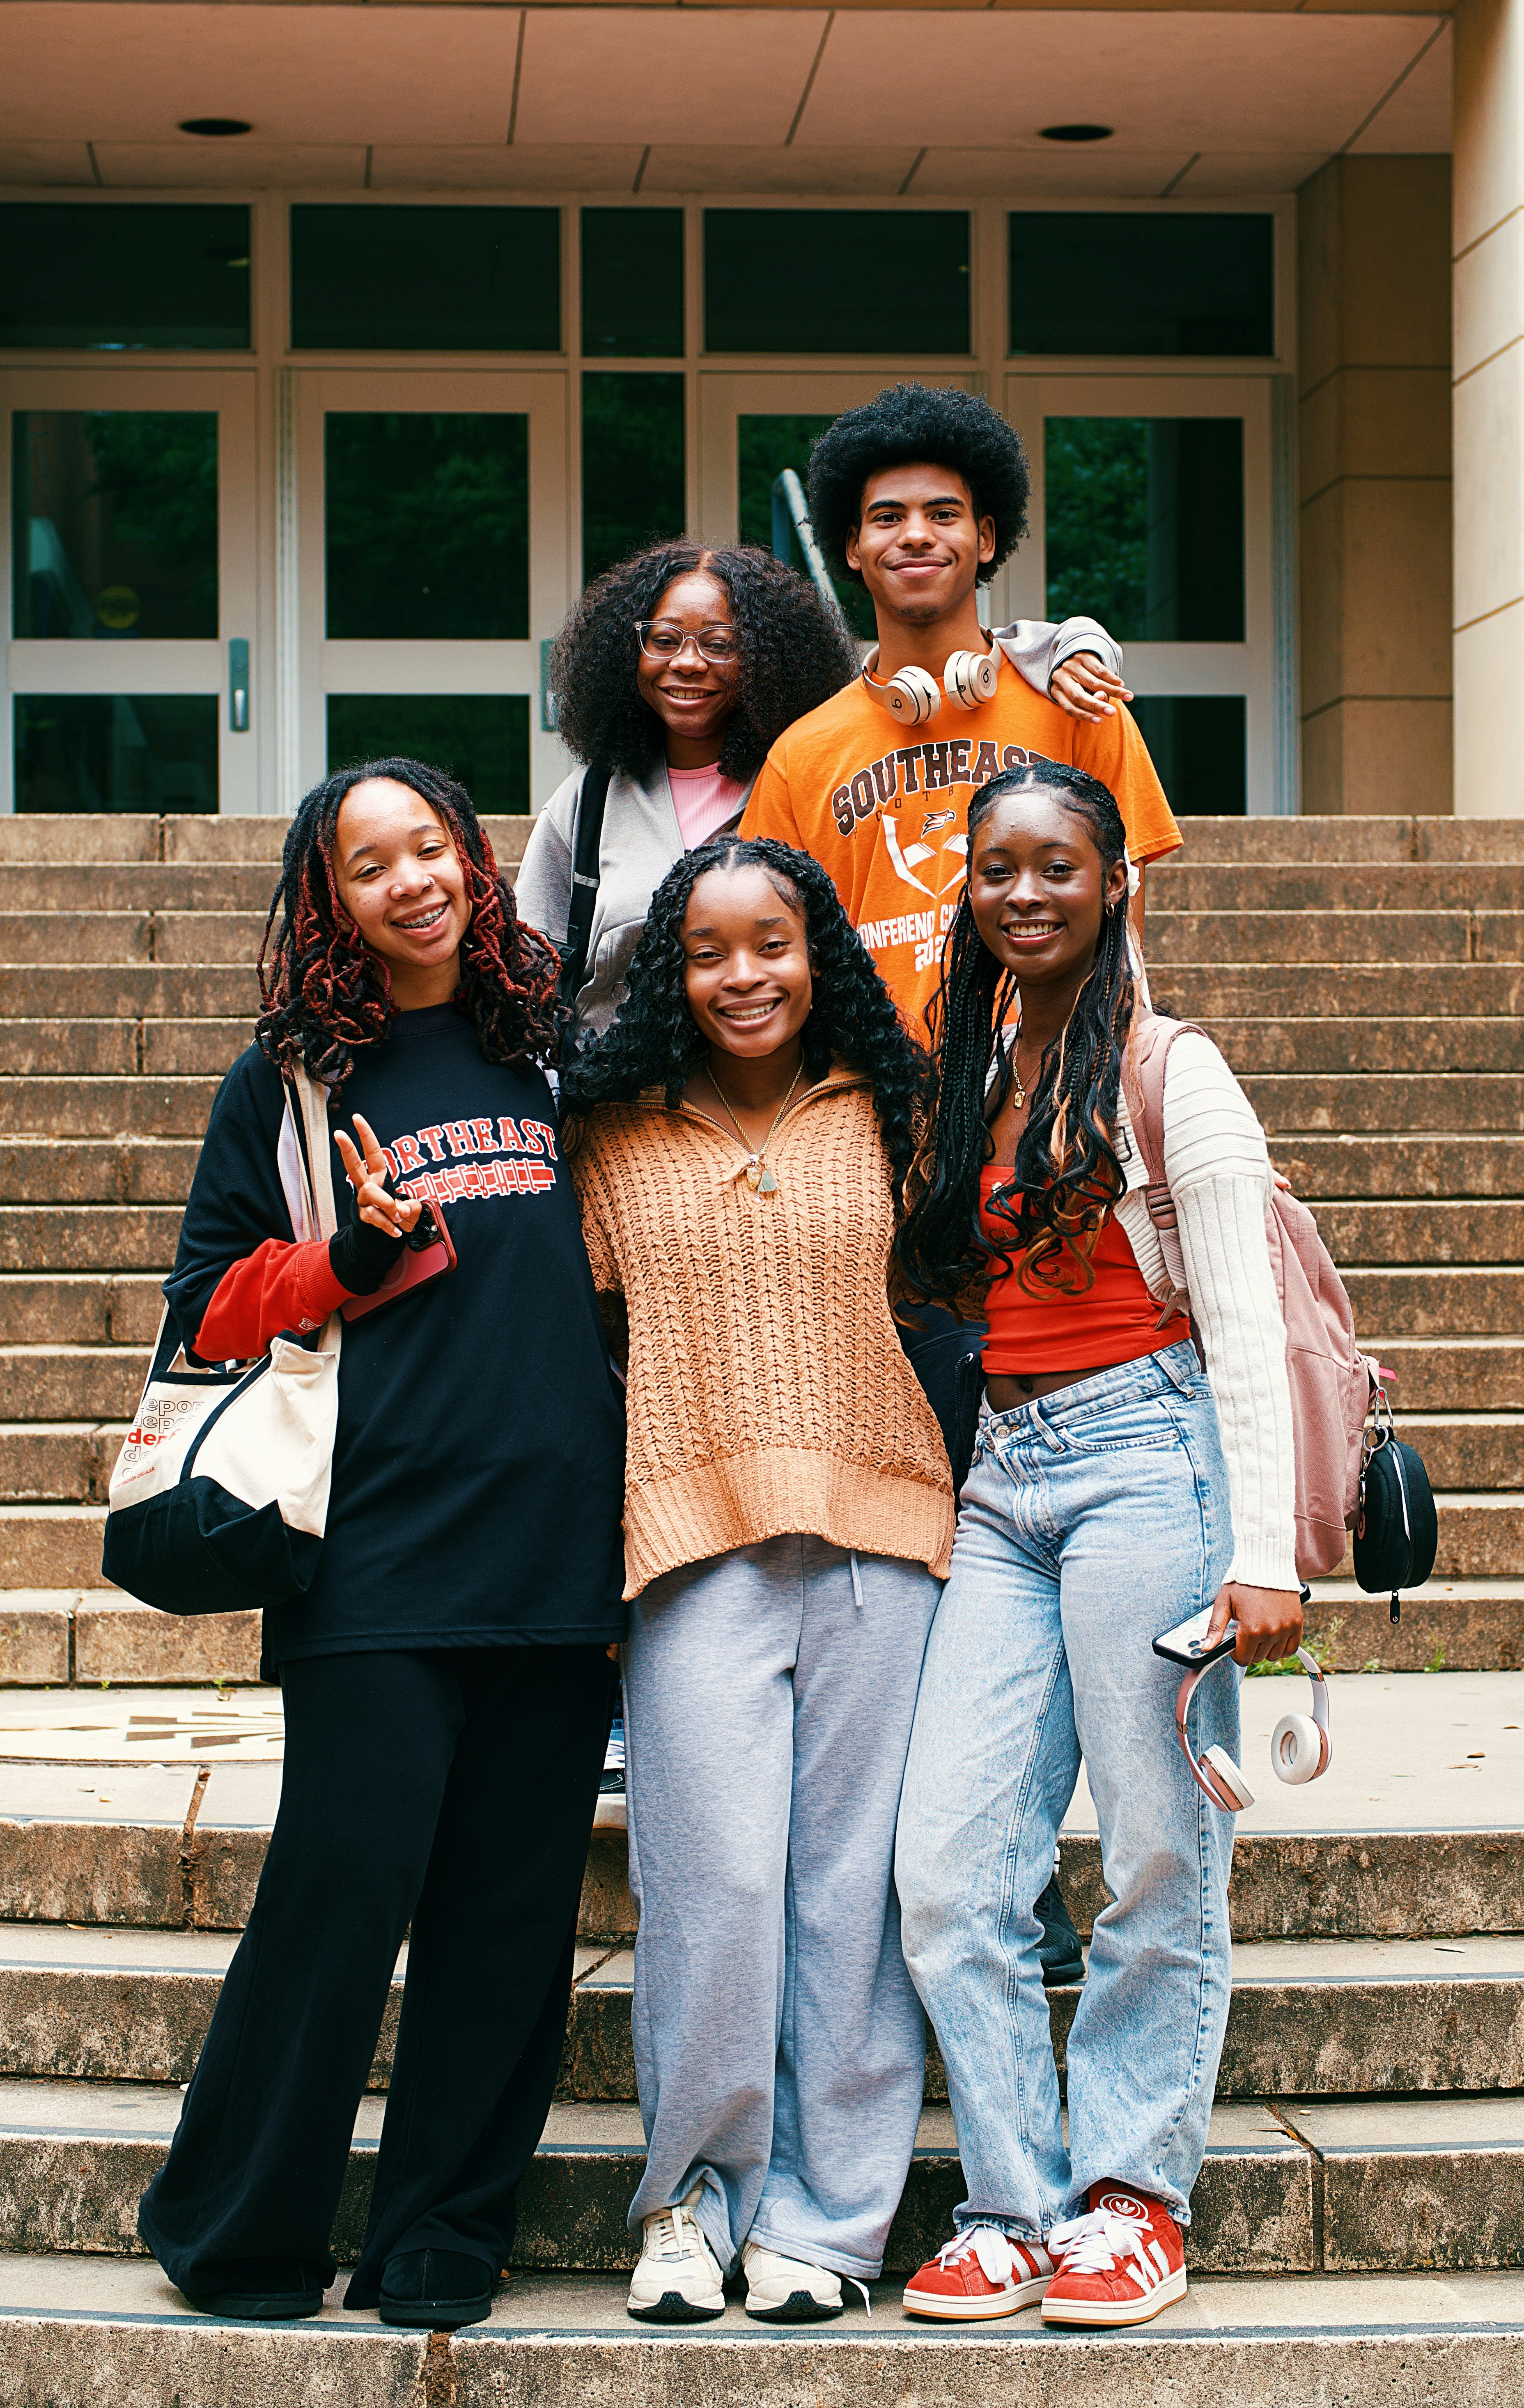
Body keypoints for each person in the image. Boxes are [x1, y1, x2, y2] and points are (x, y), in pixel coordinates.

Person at [136, 759, 626, 2332]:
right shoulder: (288, 1081)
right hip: (372, 1554)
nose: (411, 877)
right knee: (341, 1891)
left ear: (477, 866)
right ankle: (236, 2222)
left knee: (509, 1908)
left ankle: (442, 2235)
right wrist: (342, 1258)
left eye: (433, 847)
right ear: (327, 898)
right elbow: (205, 1307)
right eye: (371, 862)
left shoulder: (556, 1052)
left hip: (556, 1544)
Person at [890, 759, 1300, 2329]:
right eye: (996, 866)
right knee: (946, 1866)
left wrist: (1264, 1553)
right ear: (971, 893)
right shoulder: (969, 1061)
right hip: (1005, 1470)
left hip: (1150, 1455)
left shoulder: (1168, 1067)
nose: (1024, 890)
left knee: (1151, 1851)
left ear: (1113, 881)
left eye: (1057, 863)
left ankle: (1133, 2197)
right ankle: (1009, 2197)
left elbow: (1247, 1329)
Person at [560, 836, 953, 2326]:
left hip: (883, 1543)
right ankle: (689, 2204)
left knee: (849, 1897)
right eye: (710, 950)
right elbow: (574, 1340)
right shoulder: (614, 1134)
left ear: (818, 951)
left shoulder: (895, 1110)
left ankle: (828, 2221)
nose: (744, 976)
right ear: (672, 968)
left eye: (772, 943)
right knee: (714, 1885)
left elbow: (971, 1294)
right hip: (687, 1547)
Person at [517, 537, 1127, 1035]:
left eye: (721, 644)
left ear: (767, 657)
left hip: (780, 1107)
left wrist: (1068, 643)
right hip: (617, 1111)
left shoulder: (805, 771)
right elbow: (528, 967)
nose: (688, 662)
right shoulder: (589, 802)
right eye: (664, 639)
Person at [740, 382, 1182, 1035]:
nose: (916, 536)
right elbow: (770, 940)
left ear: (986, 537)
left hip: (1045, 1092)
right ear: (852, 548)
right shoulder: (801, 754)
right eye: (888, 517)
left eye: (943, 515)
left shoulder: (1080, 705)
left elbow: (1126, 926)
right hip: (876, 1101)